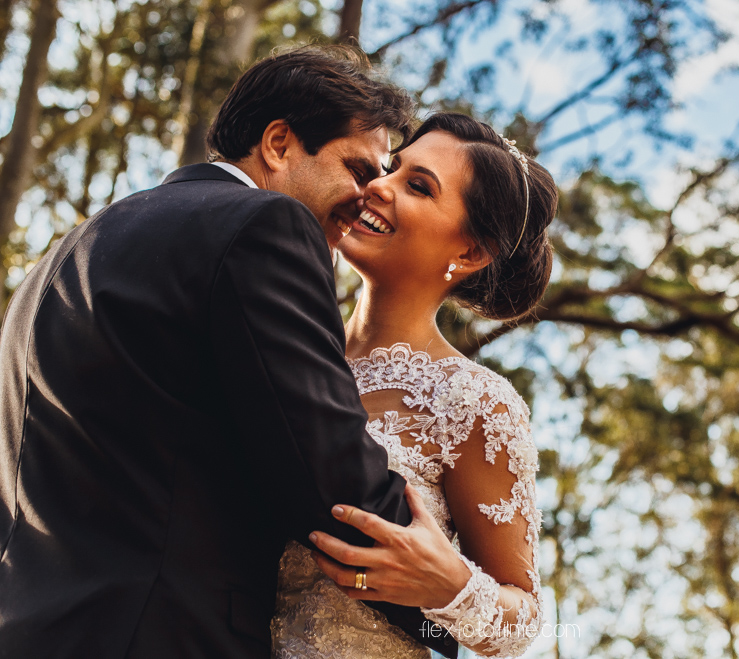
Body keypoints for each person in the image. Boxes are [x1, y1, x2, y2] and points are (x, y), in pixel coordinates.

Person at [0, 46, 456, 659]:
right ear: (278, 143)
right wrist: (451, 614)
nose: (368, 198)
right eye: (359, 170)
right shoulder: (263, 226)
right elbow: (328, 478)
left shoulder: (68, 251)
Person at [271, 113, 559, 658]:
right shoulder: (281, 345)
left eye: (418, 187)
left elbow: (524, 619)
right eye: (392, 168)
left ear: (471, 252)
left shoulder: (473, 405)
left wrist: (450, 587)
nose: (378, 185)